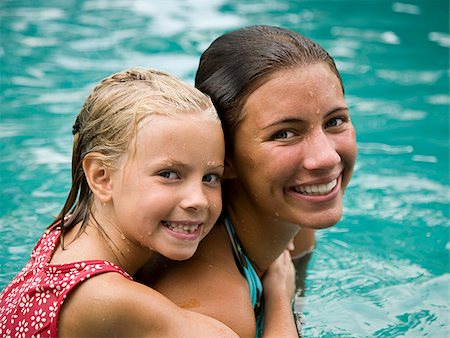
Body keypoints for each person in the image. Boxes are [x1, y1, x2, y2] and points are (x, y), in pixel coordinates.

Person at [0, 68, 298, 337]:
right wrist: (279, 294)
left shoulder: (65, 232)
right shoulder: (109, 299)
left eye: (211, 177)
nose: (197, 200)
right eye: (169, 174)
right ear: (102, 177)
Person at [138, 25, 358, 337]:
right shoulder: (213, 307)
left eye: (334, 121)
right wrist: (279, 296)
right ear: (225, 158)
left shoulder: (297, 211)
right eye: (284, 133)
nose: (327, 159)